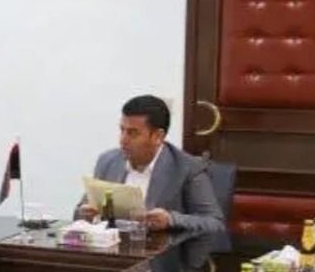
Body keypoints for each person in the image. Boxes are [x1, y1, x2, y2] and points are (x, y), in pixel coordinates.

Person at [75, 95, 225, 232]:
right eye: (122, 130)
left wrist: (171, 219)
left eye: (133, 133)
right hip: (114, 248)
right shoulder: (108, 161)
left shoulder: (187, 168)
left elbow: (214, 222)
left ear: (158, 136)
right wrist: (84, 213)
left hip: (159, 250)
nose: (123, 140)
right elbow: (80, 211)